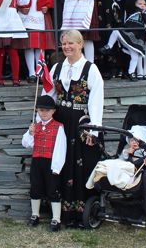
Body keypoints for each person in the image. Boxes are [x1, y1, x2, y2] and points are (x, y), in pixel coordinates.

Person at [43, 30, 104, 226]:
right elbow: (49, 96)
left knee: (81, 164)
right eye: (64, 43)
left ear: (80, 44)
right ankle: (59, 212)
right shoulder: (57, 68)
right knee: (61, 162)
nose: (67, 47)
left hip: (81, 124)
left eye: (71, 43)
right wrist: (42, 121)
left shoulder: (90, 69)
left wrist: (94, 130)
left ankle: (82, 213)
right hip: (60, 122)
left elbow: (96, 101)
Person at [22, 94, 66, 232]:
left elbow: (61, 148)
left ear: (53, 111)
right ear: (37, 111)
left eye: (47, 110)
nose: (44, 113)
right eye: (41, 110)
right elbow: (26, 144)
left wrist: (57, 167)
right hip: (37, 161)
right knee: (35, 188)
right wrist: (30, 133)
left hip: (51, 162)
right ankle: (35, 215)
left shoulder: (59, 127)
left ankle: (56, 219)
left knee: (53, 190)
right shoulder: (35, 126)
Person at [102, 0, 146, 81]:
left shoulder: (144, 15)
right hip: (127, 33)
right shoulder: (132, 12)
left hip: (135, 38)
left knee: (135, 56)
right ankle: (108, 46)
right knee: (116, 31)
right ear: (135, 5)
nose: (142, 5)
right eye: (140, 4)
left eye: (144, 4)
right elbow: (129, 4)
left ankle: (131, 72)